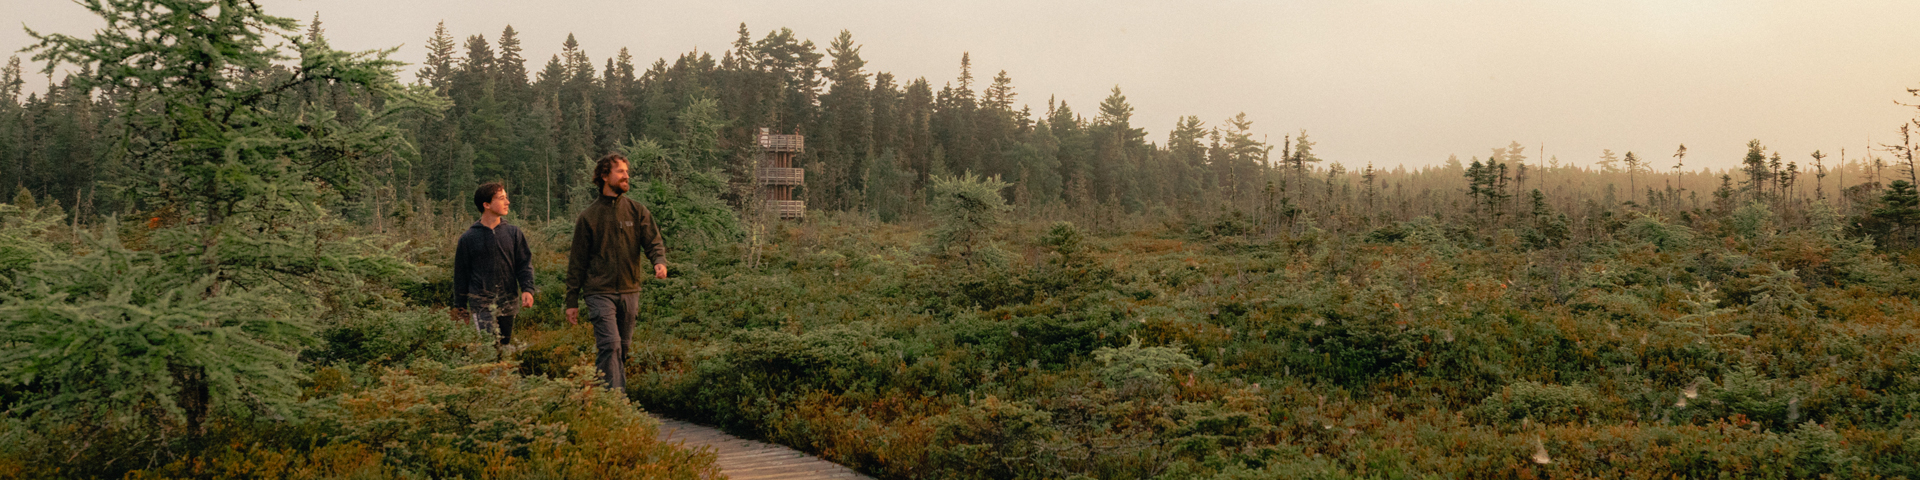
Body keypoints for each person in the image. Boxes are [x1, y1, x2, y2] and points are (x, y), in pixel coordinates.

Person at [564, 153, 668, 391]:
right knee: (610, 345)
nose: (626, 176)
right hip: (599, 291)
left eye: (626, 172)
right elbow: (576, 262)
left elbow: (653, 242)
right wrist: (572, 300)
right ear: (604, 176)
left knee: (623, 348)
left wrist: (658, 262)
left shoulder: (636, 211)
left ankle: (602, 394)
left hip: (630, 290)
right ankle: (616, 402)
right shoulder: (588, 217)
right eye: (620, 171)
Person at [452, 182, 537, 347]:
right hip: (481, 304)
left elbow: (524, 264)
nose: (507, 202)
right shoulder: (468, 238)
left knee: (504, 346)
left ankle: (502, 372)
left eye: (506, 198)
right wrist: (461, 309)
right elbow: (460, 275)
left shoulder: (513, 233)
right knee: (489, 348)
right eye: (501, 198)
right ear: (486, 204)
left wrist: (527, 289)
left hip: (508, 302)